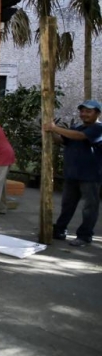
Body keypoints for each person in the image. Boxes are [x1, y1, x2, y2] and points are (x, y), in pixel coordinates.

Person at [45, 100, 102, 247]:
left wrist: (55, 128)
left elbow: (80, 136)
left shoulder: (98, 128)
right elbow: (61, 140)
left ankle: (85, 236)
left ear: (97, 113)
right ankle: (60, 230)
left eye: (88, 111)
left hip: (90, 176)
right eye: (82, 111)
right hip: (72, 174)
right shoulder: (76, 127)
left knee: (89, 208)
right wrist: (50, 132)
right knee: (67, 205)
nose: (84, 114)